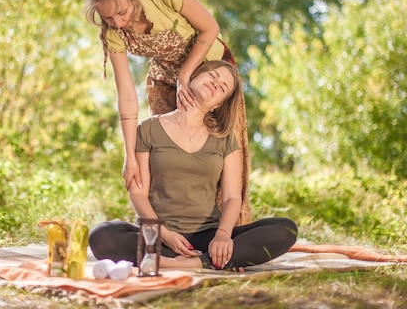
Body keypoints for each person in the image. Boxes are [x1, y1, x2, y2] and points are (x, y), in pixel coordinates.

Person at [85, 0, 252, 225]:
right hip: (166, 78)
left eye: (122, 12)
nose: (117, 22)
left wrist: (186, 74)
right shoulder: (113, 33)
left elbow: (211, 28)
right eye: (107, 17)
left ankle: (228, 233)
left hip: (210, 72)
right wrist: (130, 156)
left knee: (220, 153)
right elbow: (126, 95)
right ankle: (165, 233)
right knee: (164, 153)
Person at [89, 61, 297, 270]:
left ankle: (189, 263)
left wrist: (223, 236)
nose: (215, 84)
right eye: (212, 76)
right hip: (159, 237)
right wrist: (165, 235)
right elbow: (138, 193)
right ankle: (202, 261)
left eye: (223, 87)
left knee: (285, 230)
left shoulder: (225, 139)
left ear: (218, 104)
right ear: (192, 78)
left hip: (208, 238)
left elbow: (232, 197)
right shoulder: (148, 128)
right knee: (102, 236)